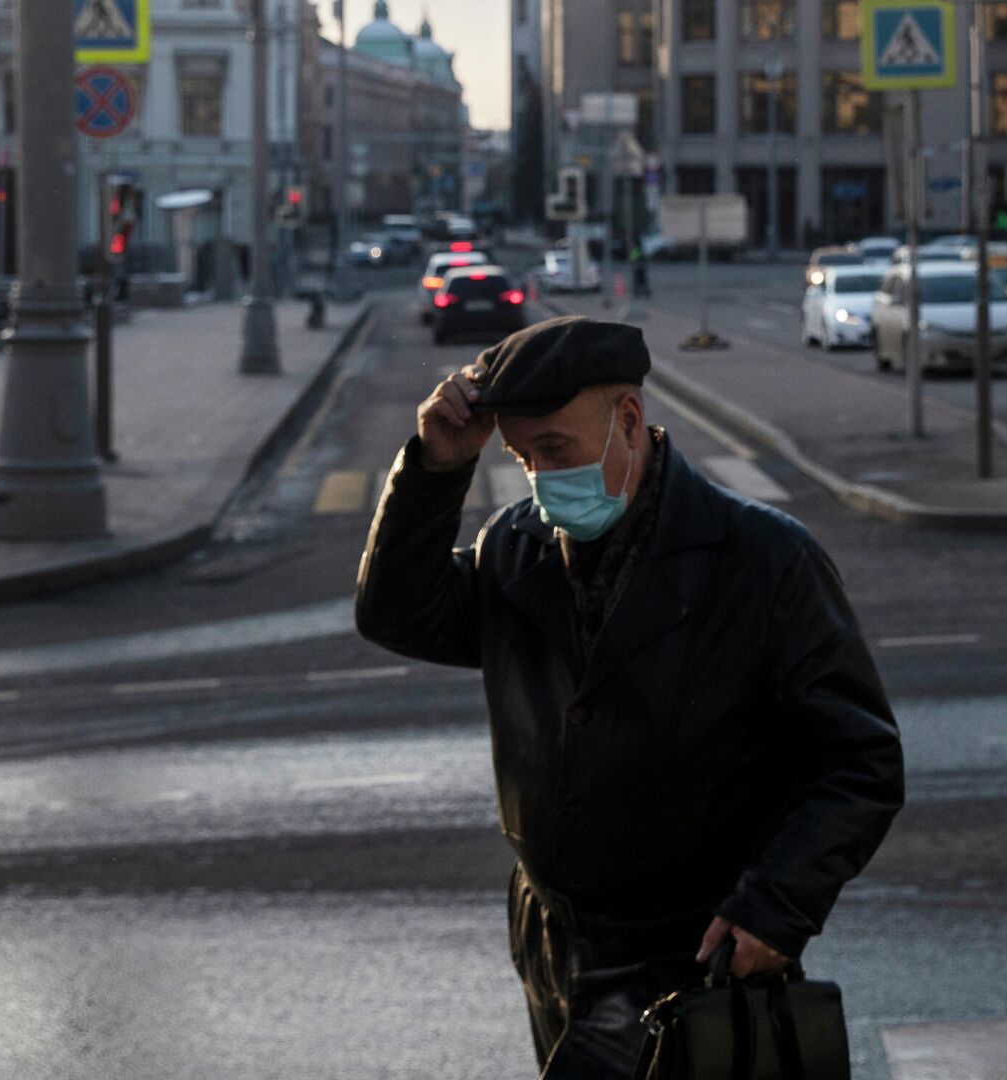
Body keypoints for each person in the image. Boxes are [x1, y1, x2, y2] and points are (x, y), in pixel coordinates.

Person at [355, 315, 904, 1078]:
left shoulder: (764, 562)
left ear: (630, 421)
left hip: (690, 955)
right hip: (553, 944)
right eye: (521, 457)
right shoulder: (517, 547)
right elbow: (394, 613)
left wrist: (778, 906)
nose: (542, 480)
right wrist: (436, 467)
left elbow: (861, 762)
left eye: (556, 451)